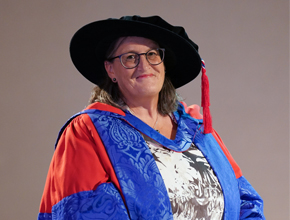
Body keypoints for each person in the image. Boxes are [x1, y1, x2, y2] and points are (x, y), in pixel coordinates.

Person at [38, 15, 265, 220]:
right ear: (110, 70)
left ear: (164, 64)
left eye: (152, 54)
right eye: (130, 57)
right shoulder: (90, 131)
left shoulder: (196, 128)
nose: (144, 65)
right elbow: (87, 212)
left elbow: (245, 201)